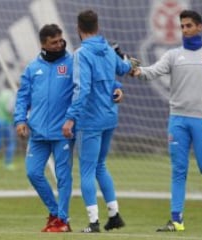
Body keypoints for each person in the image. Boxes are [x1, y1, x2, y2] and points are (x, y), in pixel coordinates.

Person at [131, 10, 202, 232]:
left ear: (200, 27)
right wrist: (136, 71)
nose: (184, 30)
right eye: (182, 26)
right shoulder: (173, 55)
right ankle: (176, 220)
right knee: (178, 170)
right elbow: (152, 72)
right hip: (178, 120)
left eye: (188, 26)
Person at [62, 9, 134, 233]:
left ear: (78, 29)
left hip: (90, 119)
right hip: (110, 117)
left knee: (86, 170)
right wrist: (122, 54)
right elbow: (125, 68)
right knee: (100, 166)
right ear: (97, 26)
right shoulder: (108, 49)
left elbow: (82, 89)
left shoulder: (81, 54)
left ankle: (93, 222)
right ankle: (114, 215)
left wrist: (70, 118)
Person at [14, 24, 74, 233]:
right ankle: (55, 212)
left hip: (63, 132)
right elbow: (22, 97)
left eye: (61, 40)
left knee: (63, 177)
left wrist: (116, 88)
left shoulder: (72, 63)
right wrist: (20, 120)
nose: (59, 44)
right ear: (43, 44)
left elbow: (91, 81)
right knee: (33, 173)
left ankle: (63, 221)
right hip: (37, 132)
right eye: (54, 42)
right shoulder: (32, 68)